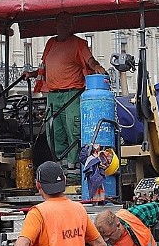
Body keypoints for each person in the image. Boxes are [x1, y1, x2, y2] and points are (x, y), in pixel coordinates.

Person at [27, 13, 106, 168]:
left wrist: (96, 66)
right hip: (53, 96)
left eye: (67, 22)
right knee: (54, 131)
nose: (64, 25)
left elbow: (89, 60)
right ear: (55, 25)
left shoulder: (79, 44)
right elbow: (45, 67)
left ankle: (73, 166)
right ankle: (60, 165)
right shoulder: (50, 43)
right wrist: (32, 74)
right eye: (61, 22)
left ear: (72, 25)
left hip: (72, 95)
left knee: (73, 130)